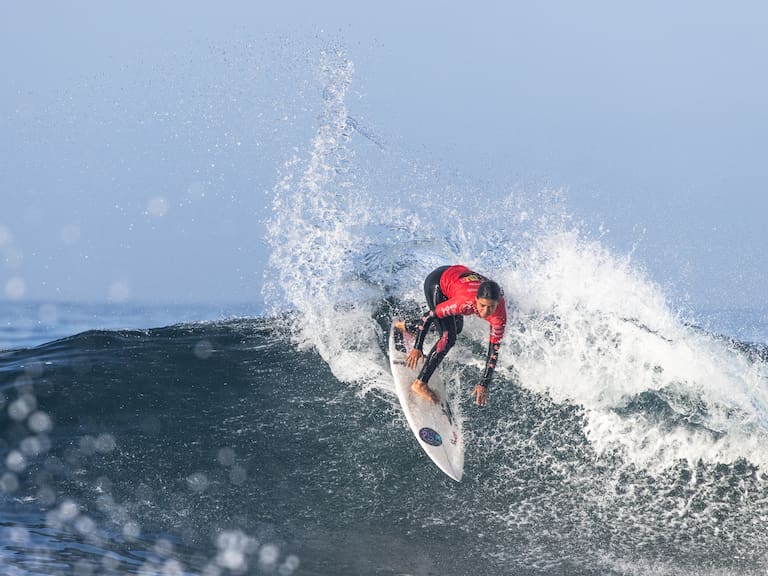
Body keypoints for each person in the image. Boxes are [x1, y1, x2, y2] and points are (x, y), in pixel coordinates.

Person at [396, 265, 507, 407]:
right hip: (438, 283)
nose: (485, 311)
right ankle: (420, 384)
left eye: (491, 307)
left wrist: (483, 383)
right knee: (448, 337)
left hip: (458, 279)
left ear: (497, 303)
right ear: (476, 299)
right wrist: (418, 347)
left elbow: (494, 350)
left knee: (456, 328)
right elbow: (428, 317)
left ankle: (407, 326)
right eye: (482, 305)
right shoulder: (464, 302)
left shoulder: (499, 316)